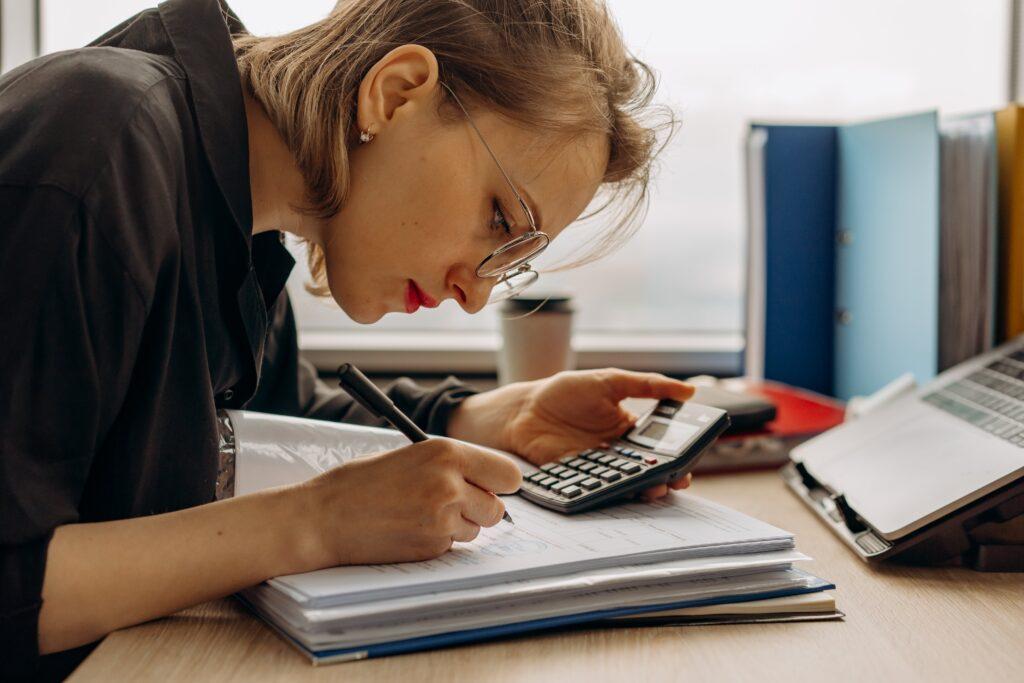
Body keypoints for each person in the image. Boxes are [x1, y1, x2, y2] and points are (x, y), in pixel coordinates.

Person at [0, 0, 696, 677]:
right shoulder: (98, 146)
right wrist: (314, 523)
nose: (476, 292)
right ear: (396, 95)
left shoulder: (241, 215)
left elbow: (272, 417)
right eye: (498, 218)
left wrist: (481, 419)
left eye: (513, 260)